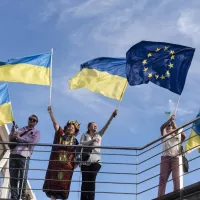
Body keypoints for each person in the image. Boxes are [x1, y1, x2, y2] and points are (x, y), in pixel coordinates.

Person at [43, 106, 80, 200]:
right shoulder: (61, 134)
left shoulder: (75, 142)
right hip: (56, 165)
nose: (70, 128)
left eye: (72, 128)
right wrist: (51, 113)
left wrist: (75, 164)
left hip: (67, 168)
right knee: (53, 191)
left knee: (63, 190)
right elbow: (55, 124)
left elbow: (76, 155)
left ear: (75, 131)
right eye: (69, 127)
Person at [80, 109, 118, 200]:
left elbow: (107, 126)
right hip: (85, 162)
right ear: (89, 127)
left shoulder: (99, 135)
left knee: (92, 180)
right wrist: (93, 140)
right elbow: (82, 144)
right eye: (94, 125)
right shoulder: (84, 135)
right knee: (85, 182)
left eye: (96, 126)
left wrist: (112, 116)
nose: (96, 127)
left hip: (96, 162)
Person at [9, 114, 40, 200]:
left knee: (23, 176)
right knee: (13, 176)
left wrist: (19, 139)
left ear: (36, 123)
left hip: (24, 156)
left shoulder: (36, 132)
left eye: (34, 120)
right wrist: (12, 131)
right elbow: (11, 139)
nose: (32, 121)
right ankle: (14, 196)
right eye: (31, 119)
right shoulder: (21, 129)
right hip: (14, 154)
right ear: (28, 119)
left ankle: (21, 196)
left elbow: (32, 141)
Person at [158, 114, 186, 197]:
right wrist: (170, 119)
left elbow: (184, 136)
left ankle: (177, 196)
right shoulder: (164, 135)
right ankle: (160, 196)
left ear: (173, 129)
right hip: (165, 158)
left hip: (175, 157)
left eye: (170, 127)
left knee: (176, 178)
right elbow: (161, 127)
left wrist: (175, 126)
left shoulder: (177, 135)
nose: (168, 128)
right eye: (167, 127)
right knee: (162, 178)